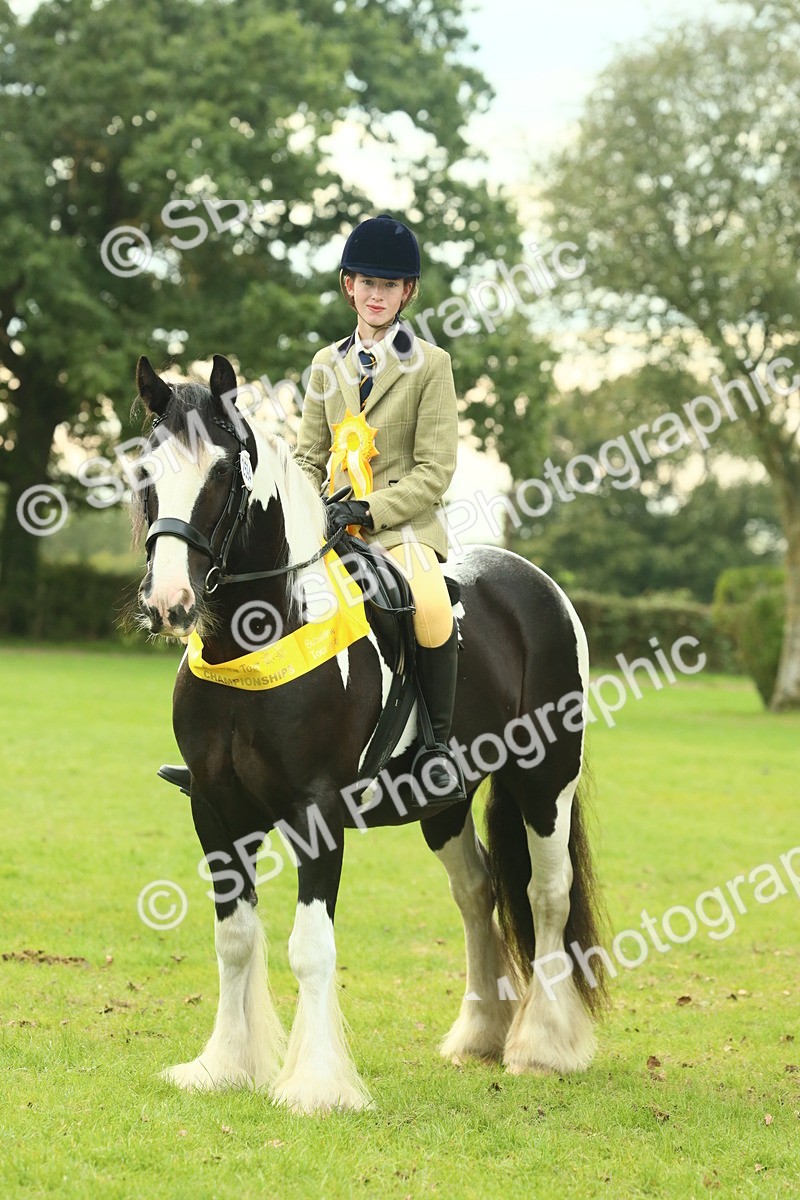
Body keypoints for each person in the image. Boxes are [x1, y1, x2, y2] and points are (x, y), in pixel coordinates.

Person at [294, 213, 465, 802]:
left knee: (431, 607)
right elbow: (308, 456)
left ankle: (437, 749)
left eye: (388, 286)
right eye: (366, 282)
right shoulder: (324, 364)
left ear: (406, 293)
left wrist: (367, 510)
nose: (375, 294)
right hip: (327, 529)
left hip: (401, 530)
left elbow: (435, 470)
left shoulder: (432, 365)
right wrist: (307, 508)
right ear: (349, 286)